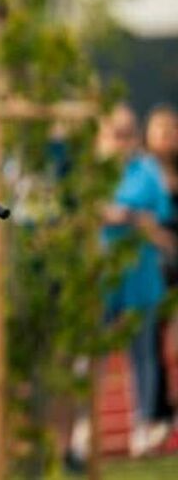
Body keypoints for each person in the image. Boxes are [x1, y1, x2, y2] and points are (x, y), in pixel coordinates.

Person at [98, 104, 175, 457]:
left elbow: (158, 217)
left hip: (140, 272)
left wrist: (126, 215)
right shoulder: (95, 171)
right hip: (101, 273)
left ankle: (143, 425)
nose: (121, 140)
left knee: (142, 352)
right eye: (116, 133)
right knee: (94, 353)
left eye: (127, 133)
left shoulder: (147, 170)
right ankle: (87, 427)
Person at [145, 104, 178, 436]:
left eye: (173, 130)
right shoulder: (144, 171)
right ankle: (159, 411)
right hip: (156, 263)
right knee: (158, 338)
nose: (170, 137)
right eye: (163, 131)